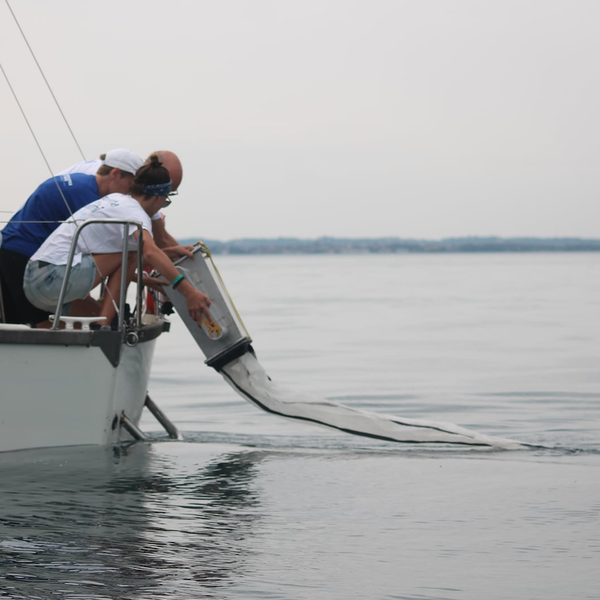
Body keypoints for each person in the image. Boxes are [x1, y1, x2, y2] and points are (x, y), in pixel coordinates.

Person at [23, 155, 210, 328]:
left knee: (130, 255)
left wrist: (171, 252)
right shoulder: (136, 215)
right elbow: (149, 252)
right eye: (165, 201)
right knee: (129, 256)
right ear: (159, 197)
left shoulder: (116, 200)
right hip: (52, 279)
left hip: (34, 280)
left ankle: (104, 324)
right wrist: (188, 292)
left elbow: (137, 255)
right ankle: (104, 325)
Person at [0, 149, 143, 324]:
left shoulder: (80, 182)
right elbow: (110, 256)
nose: (131, 193)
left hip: (9, 252)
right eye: (131, 184)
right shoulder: (90, 200)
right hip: (24, 259)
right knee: (98, 322)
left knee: (15, 327)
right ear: (115, 173)